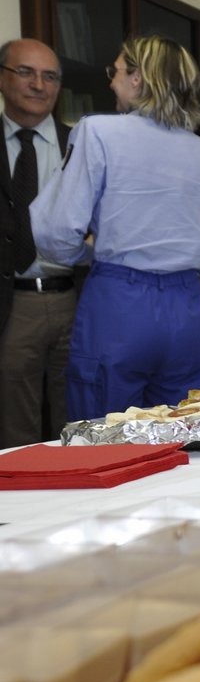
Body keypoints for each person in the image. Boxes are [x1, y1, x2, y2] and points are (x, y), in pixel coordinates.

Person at [30, 35, 200, 421]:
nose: (111, 82)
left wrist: (90, 253)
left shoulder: (99, 132)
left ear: (138, 79)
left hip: (120, 301)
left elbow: (55, 231)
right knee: (183, 432)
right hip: (189, 308)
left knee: (105, 434)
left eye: (116, 71)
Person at [0, 38, 74, 445]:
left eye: (50, 76)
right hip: (12, 304)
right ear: (3, 77)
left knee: (80, 420)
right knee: (15, 429)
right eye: (25, 72)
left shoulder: (82, 145)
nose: (38, 85)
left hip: (75, 299)